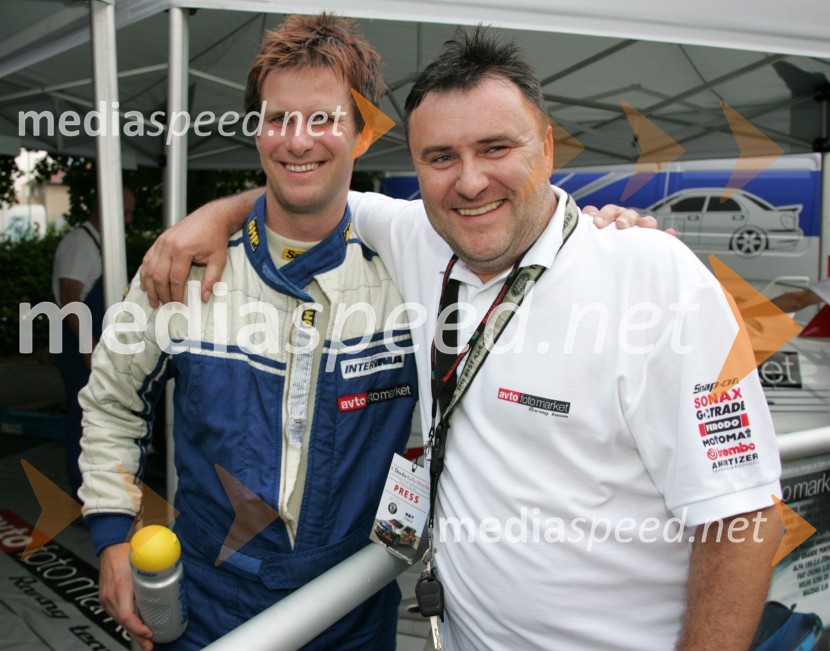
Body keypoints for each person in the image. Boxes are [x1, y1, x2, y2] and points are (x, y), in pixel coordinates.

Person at [142, 27, 785, 651]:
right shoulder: (421, 236)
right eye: (441, 158)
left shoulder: (652, 277)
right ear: (417, 168)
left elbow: (740, 518)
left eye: (496, 148)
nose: (470, 181)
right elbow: (304, 185)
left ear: (548, 149)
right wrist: (209, 218)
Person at [78, 15, 420, 650]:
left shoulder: (415, 272)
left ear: (363, 132)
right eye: (277, 118)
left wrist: (606, 232)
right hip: (209, 603)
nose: (297, 141)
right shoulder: (179, 268)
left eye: (322, 118)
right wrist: (112, 534)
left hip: (355, 606)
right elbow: (110, 403)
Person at [53, 186, 134, 495]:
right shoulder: (80, 244)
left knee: (99, 414)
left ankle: (102, 481)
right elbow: (70, 298)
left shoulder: (101, 245)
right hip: (77, 341)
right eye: (125, 213)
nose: (128, 221)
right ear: (105, 209)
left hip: (94, 338)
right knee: (83, 414)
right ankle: (82, 489)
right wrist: (88, 346)